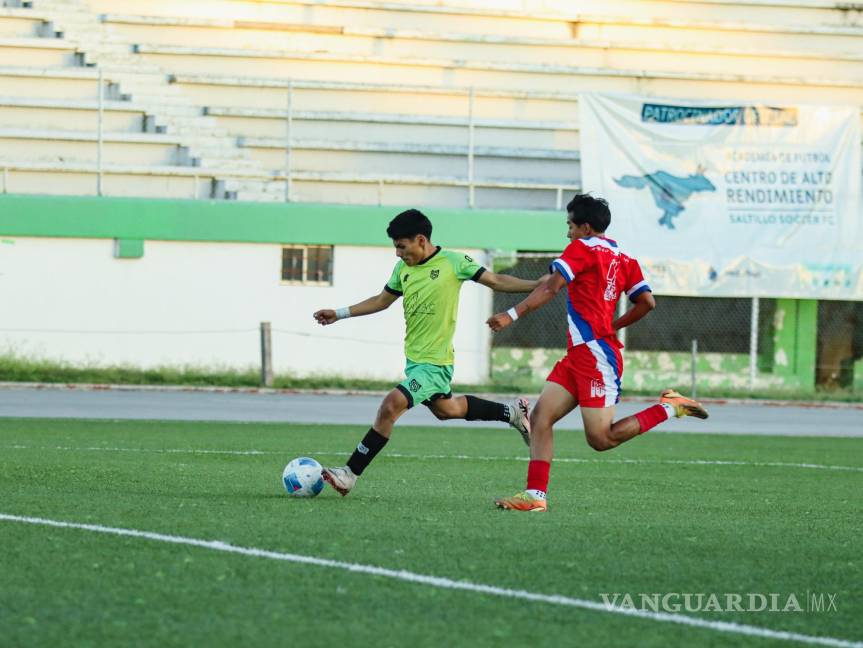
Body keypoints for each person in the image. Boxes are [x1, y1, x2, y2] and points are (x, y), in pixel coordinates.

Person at [487, 194, 708, 513]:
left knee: (601, 439)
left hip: (596, 359)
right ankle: (535, 496)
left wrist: (512, 314)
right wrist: (612, 325)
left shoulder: (581, 248)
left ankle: (670, 407)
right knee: (540, 417)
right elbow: (647, 302)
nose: (568, 233)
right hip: (581, 354)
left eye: (570, 226)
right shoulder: (623, 257)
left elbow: (551, 287)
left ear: (586, 228)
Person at [313, 208, 540, 496]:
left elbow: (496, 281)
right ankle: (513, 413)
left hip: (435, 363)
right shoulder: (403, 269)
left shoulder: (454, 262)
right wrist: (340, 313)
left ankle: (349, 473)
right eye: (395, 246)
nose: (397, 253)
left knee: (390, 405)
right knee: (448, 410)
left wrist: (537, 284)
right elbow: (382, 301)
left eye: (401, 246)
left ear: (421, 240)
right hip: (415, 361)